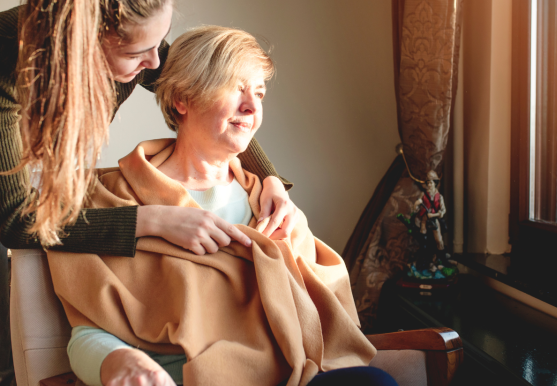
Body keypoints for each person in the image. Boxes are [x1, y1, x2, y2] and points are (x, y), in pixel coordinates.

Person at [0, 1, 297, 385]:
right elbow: (17, 223)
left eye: (159, 44)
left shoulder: (142, 43)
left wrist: (269, 176)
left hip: (48, 163)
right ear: (87, 42)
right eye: (138, 53)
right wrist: (154, 220)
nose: (156, 64)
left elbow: (195, 87)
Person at [48, 26, 398, 386]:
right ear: (182, 99)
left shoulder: (270, 204)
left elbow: (322, 315)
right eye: (236, 88)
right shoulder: (114, 199)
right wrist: (119, 361)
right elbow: (88, 332)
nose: (252, 107)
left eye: (259, 93)